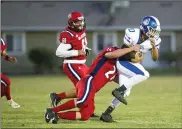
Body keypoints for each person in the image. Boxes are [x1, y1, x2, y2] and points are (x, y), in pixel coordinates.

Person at [45, 44, 140, 124]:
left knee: (86, 114)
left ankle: (56, 115)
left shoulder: (118, 66)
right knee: (82, 102)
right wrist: (131, 48)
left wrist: (132, 81)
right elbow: (110, 55)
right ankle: (53, 110)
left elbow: (118, 80)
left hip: (92, 88)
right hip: (88, 81)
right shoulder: (113, 50)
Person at [100, 16, 162, 122]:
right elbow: (124, 52)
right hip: (123, 61)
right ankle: (118, 90)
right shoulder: (132, 33)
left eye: (156, 31)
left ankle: (106, 114)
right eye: (152, 30)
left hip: (132, 64)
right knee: (144, 74)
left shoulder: (155, 40)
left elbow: (155, 58)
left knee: (126, 92)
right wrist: (135, 56)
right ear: (146, 28)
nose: (154, 33)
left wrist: (153, 45)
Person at [1, 38, 20, 108]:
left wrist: (8, 58)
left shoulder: (1, 42)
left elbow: (3, 53)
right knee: (6, 81)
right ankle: (10, 101)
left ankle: (10, 101)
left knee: (3, 88)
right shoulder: (2, 42)